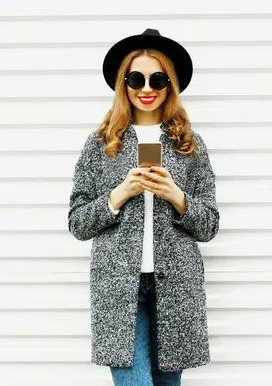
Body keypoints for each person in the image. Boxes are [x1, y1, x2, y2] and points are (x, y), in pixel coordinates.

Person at [68, 28, 220, 386]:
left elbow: (210, 225)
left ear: (170, 85)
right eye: (136, 78)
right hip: (119, 288)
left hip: (177, 288)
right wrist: (119, 194)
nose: (146, 88)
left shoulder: (189, 143)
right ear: (124, 83)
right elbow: (77, 223)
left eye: (158, 79)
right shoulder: (102, 143)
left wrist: (176, 196)